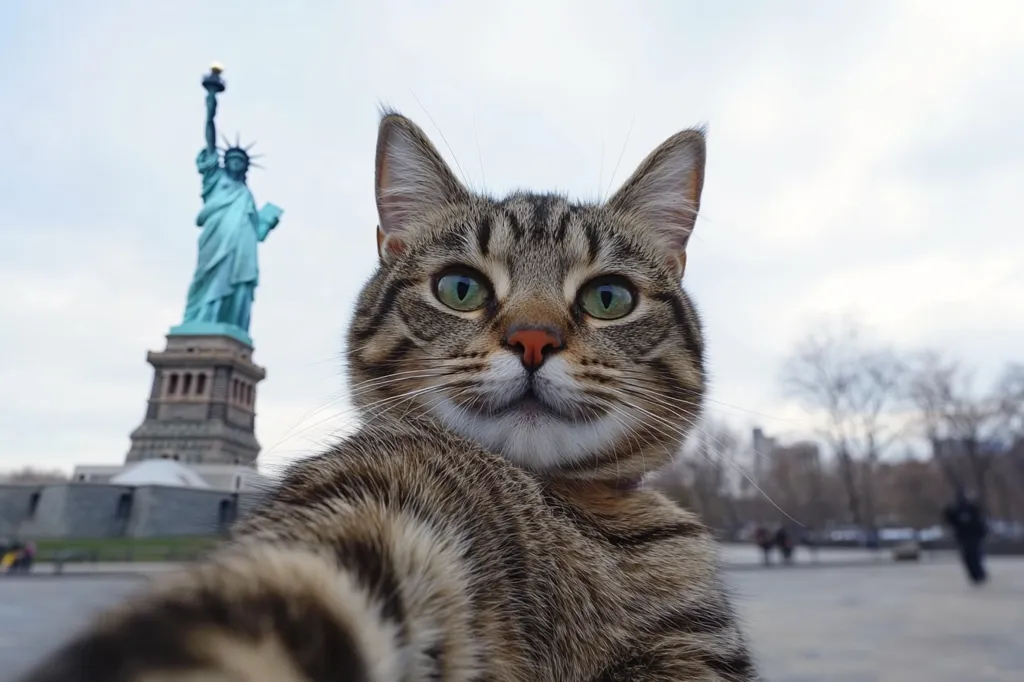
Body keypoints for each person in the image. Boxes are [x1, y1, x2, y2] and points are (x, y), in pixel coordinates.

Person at [943, 490, 988, 585]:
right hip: (966, 537)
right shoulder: (962, 510)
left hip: (971, 536)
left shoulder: (971, 509)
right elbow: (950, 519)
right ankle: (977, 574)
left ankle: (978, 574)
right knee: (971, 556)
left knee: (973, 556)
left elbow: (979, 522)